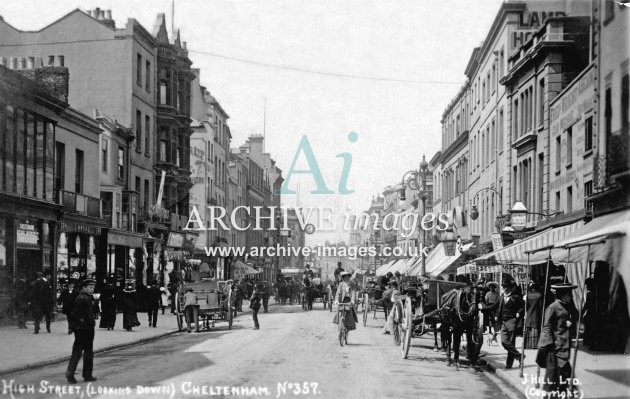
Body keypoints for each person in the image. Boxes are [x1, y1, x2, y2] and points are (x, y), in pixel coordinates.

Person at [537, 283, 579, 396]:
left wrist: (571, 319)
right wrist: (551, 343)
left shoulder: (568, 306)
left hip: (564, 346)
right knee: (554, 375)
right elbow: (546, 326)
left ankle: (564, 394)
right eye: (569, 294)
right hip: (554, 348)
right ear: (562, 295)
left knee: (563, 375)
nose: (571, 296)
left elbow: (576, 315)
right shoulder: (553, 307)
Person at [65, 278, 97, 384]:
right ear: (84, 287)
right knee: (84, 352)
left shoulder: (82, 296)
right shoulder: (85, 298)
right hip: (85, 329)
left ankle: (81, 374)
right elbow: (88, 315)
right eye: (90, 287)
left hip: (81, 328)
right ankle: (82, 375)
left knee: (80, 351)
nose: (92, 289)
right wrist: (92, 323)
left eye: (93, 287)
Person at [495, 278, 524, 369]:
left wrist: (519, 312)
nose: (504, 288)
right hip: (503, 322)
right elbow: (496, 306)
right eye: (503, 286)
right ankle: (519, 356)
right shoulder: (502, 296)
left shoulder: (515, 297)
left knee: (511, 342)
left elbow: (524, 304)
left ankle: (509, 364)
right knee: (504, 342)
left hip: (512, 321)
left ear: (510, 288)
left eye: (506, 287)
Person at [524, 283, 543, 349]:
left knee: (529, 328)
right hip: (536, 312)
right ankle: (534, 344)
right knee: (535, 327)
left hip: (529, 313)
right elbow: (540, 306)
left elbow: (526, 306)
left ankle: (527, 345)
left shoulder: (528, 295)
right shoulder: (539, 295)